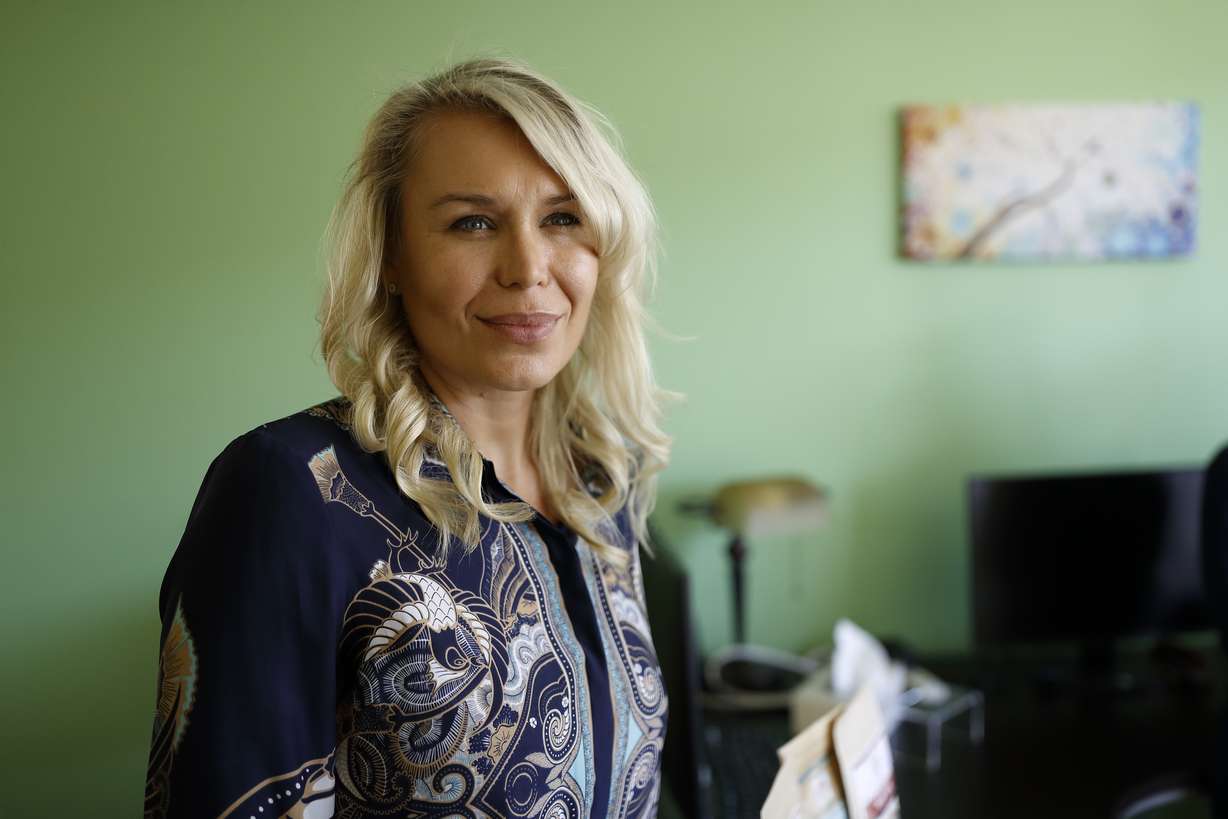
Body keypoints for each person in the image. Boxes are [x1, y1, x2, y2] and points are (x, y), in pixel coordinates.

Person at [144, 58, 674, 819]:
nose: (528, 268)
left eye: (563, 218)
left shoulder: (603, 481)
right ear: (392, 256)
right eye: (472, 223)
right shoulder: (291, 489)